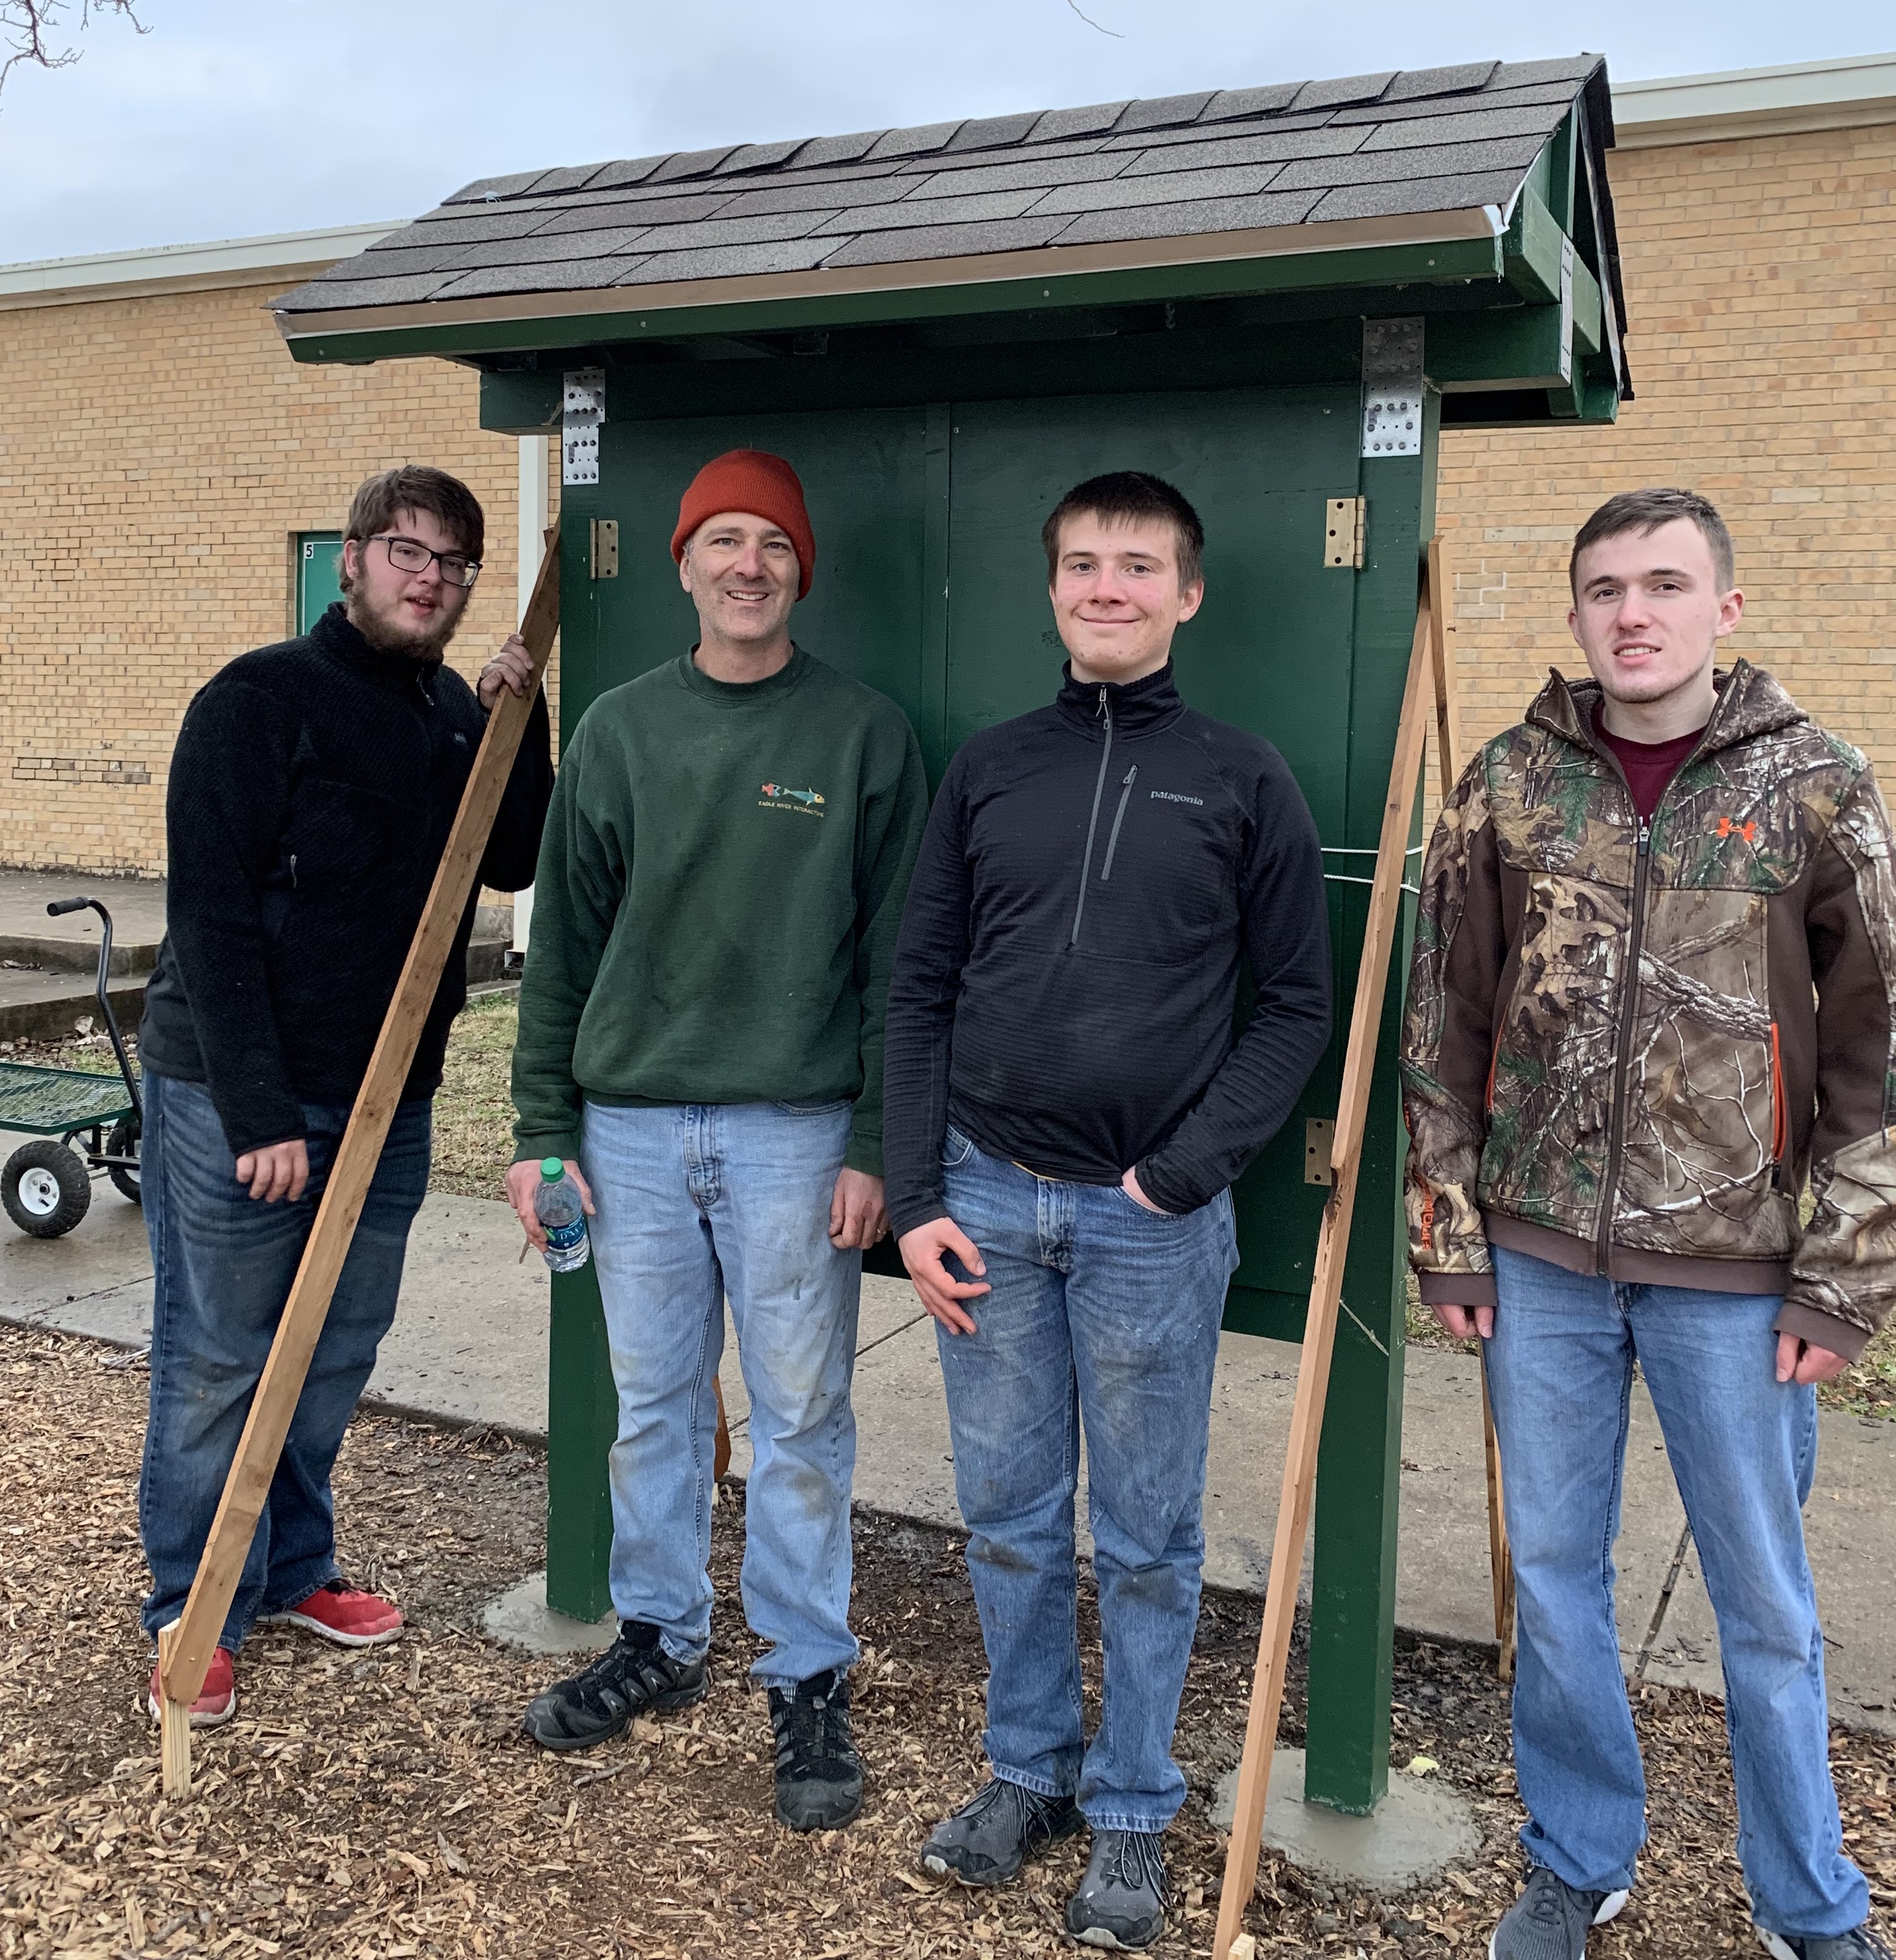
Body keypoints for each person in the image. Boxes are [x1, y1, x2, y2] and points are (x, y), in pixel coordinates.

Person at [1403, 487, 1896, 1960]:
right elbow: (1440, 1022)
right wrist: (1449, 1232)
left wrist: (1840, 1277)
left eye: (1663, 584)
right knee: (1556, 1582)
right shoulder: (1508, 784)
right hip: (1540, 1268)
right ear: (1573, 614)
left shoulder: (1814, 785)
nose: (1632, 612)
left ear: (1721, 609)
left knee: (1762, 1608)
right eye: (1603, 588)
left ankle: (1807, 1902)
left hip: (1735, 1280)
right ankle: (1577, 1858)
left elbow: (1889, 1046)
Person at [884, 471, 1333, 1950]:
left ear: (1186, 594)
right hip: (986, 1205)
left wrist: (1181, 1173)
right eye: (1080, 563)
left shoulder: (1244, 774)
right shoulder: (990, 768)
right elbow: (919, 987)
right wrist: (915, 1195)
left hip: (1148, 1223)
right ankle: (1029, 1773)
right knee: (1009, 1521)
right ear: (1052, 587)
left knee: (1144, 1534)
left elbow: (1294, 1006)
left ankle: (1134, 1808)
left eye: (1136, 566)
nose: (1105, 587)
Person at [507, 449, 928, 1834]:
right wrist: (536, 1129)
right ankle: (660, 1635)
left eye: (774, 544)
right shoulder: (620, 731)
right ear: (684, 565)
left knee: (803, 1413)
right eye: (723, 540)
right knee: (653, 1404)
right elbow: (558, 947)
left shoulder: (864, 735)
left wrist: (874, 1138)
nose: (749, 564)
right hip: (626, 1128)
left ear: (802, 569)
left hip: (794, 1132)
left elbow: (896, 968)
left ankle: (806, 1671)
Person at [138, 464, 553, 1727]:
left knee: (333, 1354)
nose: (430, 577)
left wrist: (516, 721)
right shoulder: (258, 701)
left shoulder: (444, 718)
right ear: (353, 560)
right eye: (406, 551)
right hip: (236, 1097)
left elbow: (518, 851)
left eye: (453, 563)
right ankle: (191, 1602)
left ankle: (291, 1572)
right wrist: (260, 1112)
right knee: (219, 1356)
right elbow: (208, 917)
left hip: (391, 1103)